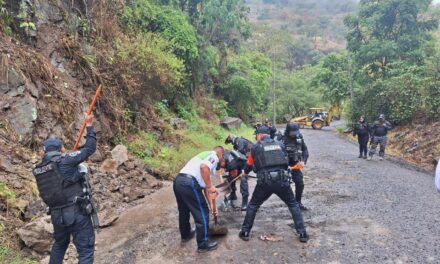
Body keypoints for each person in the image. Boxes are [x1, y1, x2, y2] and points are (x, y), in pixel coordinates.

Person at [33, 114, 97, 264]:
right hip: (76, 212)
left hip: (56, 215)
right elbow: (90, 148)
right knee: (86, 249)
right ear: (60, 148)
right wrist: (89, 125)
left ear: (44, 151)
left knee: (60, 245)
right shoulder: (66, 160)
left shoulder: (38, 169)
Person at [238, 126, 308, 243]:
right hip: (282, 181)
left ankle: (245, 232)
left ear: (260, 135)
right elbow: (286, 162)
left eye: (256, 135)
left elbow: (249, 165)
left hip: (264, 183)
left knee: (253, 205)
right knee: (293, 205)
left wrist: (244, 173)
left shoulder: (255, 147)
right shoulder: (280, 145)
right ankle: (302, 234)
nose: (256, 137)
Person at [173, 147, 225, 253]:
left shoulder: (203, 155)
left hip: (178, 181)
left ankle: (186, 234)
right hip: (189, 183)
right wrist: (211, 186)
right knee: (202, 213)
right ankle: (203, 244)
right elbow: (204, 167)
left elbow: (206, 188)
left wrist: (212, 206)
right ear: (221, 155)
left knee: (184, 211)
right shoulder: (213, 156)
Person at [283, 122, 309, 210]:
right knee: (281, 186)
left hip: (294, 165)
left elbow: (305, 150)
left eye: (296, 132)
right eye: (292, 132)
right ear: (288, 131)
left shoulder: (299, 138)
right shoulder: (281, 138)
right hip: (282, 166)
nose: (294, 134)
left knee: (300, 183)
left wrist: (303, 161)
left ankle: (298, 202)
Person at [224, 135, 253, 210]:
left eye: (230, 141)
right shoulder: (236, 144)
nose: (231, 143)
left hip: (246, 162)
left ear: (232, 139)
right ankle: (233, 194)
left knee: (243, 180)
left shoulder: (239, 141)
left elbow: (240, 151)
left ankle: (245, 202)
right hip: (240, 161)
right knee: (231, 176)